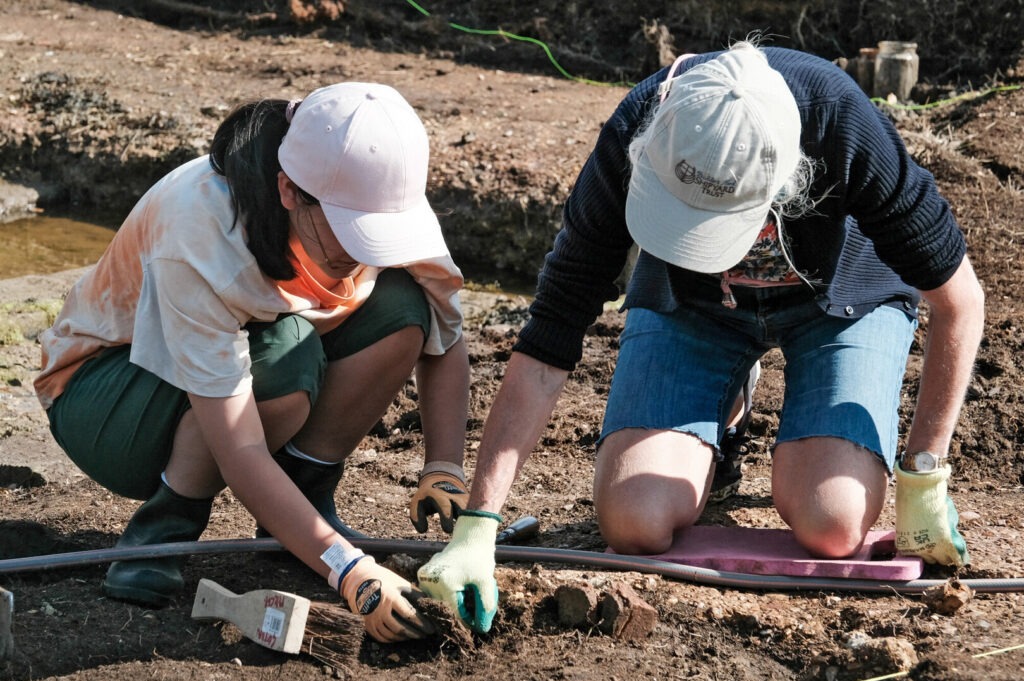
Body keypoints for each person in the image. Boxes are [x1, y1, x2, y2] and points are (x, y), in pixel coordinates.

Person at [416, 40, 984, 633]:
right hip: (697, 309)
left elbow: (961, 303)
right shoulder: (640, 125)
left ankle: (793, 423)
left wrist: (923, 476)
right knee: (634, 522)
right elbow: (549, 338)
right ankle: (724, 415)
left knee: (832, 524)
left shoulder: (839, 120)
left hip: (838, 305)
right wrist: (478, 524)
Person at [34, 82, 472, 643]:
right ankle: (164, 528)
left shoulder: (376, 191)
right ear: (290, 191)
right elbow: (240, 446)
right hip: (107, 396)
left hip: (240, 363)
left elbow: (443, 334)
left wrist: (445, 468)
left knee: (403, 308)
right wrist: (349, 570)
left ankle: (301, 502)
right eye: (349, 232)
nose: (365, 251)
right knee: (288, 357)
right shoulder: (200, 229)